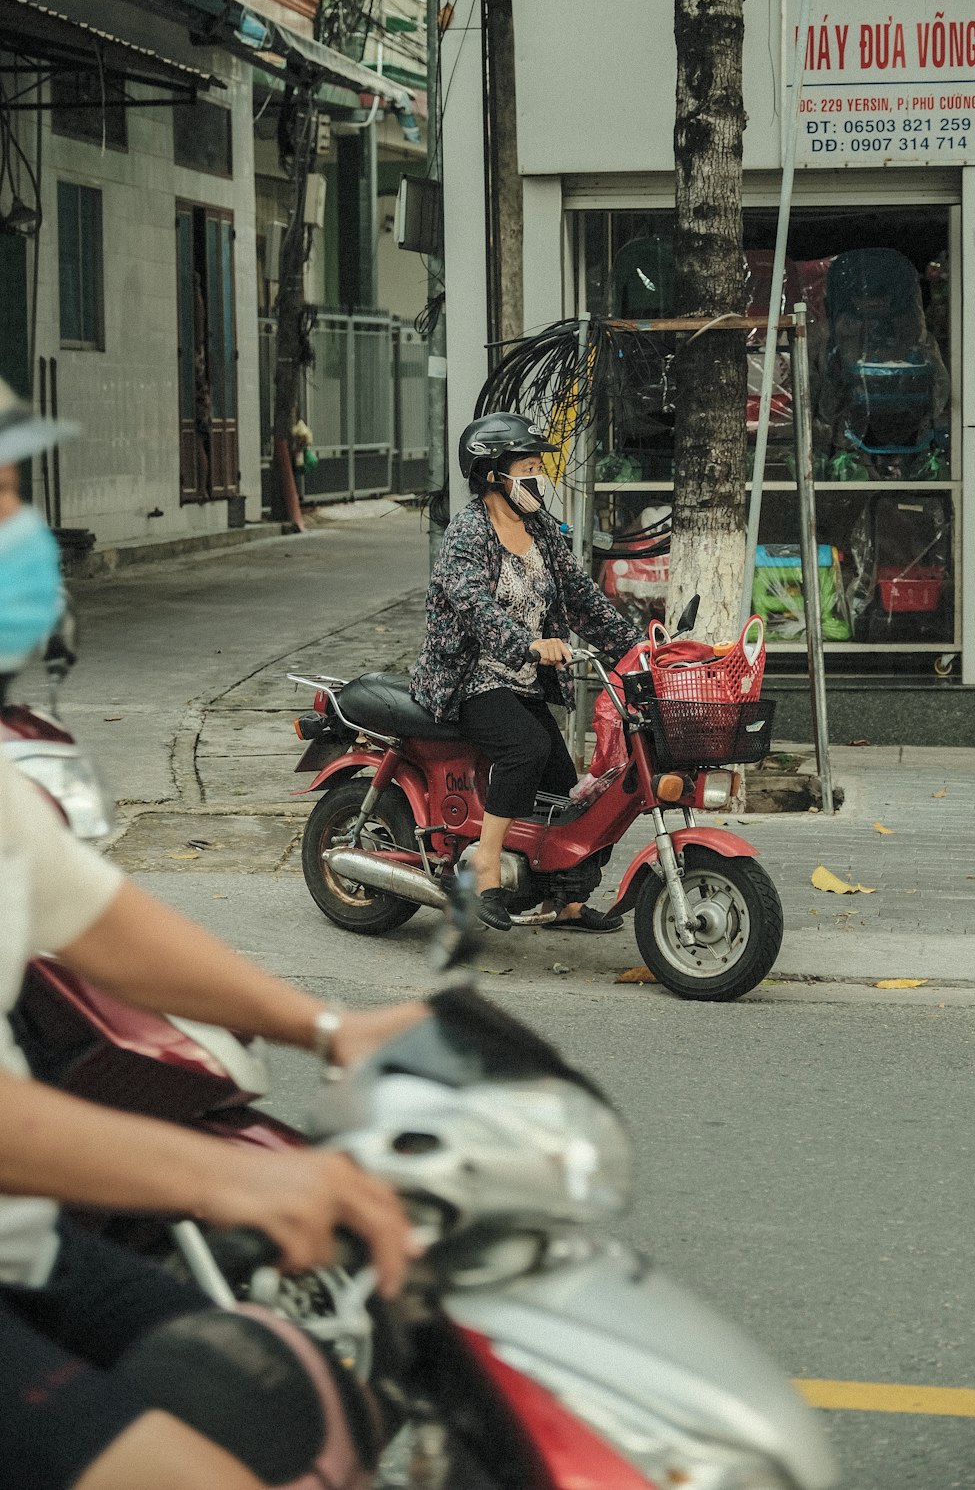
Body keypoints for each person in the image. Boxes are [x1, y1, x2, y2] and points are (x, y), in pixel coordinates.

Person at [0, 390, 426, 1490]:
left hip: (20, 1248)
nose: (23, 535)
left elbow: (97, 917)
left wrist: (329, 1026)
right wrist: (225, 1181)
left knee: (290, 1391)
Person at [411, 413, 639, 933]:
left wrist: (639, 645)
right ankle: (484, 864)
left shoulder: (539, 530)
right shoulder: (468, 533)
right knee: (526, 750)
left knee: (564, 786)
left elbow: (582, 598)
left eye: (539, 465)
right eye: (529, 466)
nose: (539, 476)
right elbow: (472, 604)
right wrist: (527, 644)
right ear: (494, 474)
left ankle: (566, 901)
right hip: (469, 678)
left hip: (523, 676)